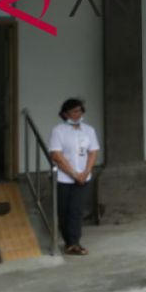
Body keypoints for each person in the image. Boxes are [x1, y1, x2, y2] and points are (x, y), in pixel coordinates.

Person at [47, 98, 100, 256]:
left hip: (83, 178)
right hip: (64, 178)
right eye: (74, 111)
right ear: (65, 114)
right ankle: (69, 241)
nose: (78, 114)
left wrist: (85, 172)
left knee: (76, 211)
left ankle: (74, 243)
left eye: (80, 110)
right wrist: (73, 174)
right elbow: (56, 155)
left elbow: (93, 152)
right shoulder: (59, 131)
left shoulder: (89, 130)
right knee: (64, 211)